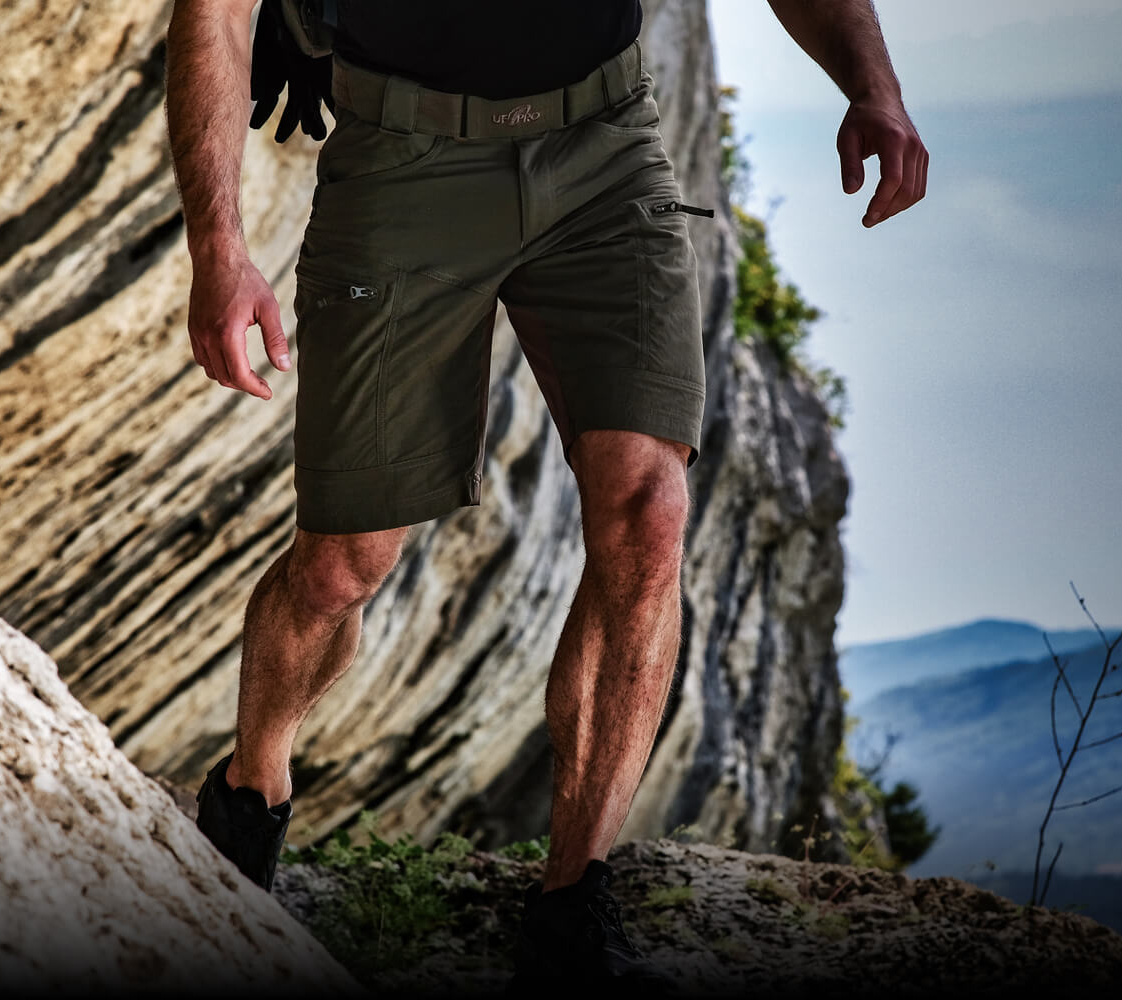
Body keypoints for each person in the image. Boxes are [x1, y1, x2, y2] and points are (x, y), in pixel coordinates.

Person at [161, 0, 928, 984]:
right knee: (347, 562)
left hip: (604, 147)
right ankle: (252, 788)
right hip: (405, 156)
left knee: (649, 514)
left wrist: (875, 89)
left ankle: (573, 896)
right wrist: (218, 248)